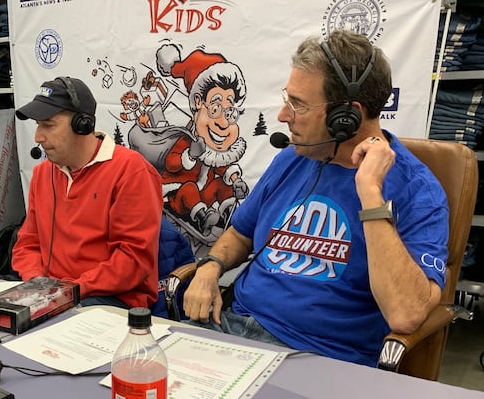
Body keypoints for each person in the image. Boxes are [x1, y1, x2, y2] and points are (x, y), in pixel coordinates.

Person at [182, 30, 449, 367]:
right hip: (230, 329)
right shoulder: (294, 158)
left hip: (320, 357)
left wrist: (370, 194)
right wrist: (210, 267)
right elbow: (239, 234)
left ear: (346, 118)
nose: (282, 115)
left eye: (299, 104)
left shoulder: (417, 191)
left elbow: (405, 314)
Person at [12, 76, 163, 309]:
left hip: (109, 299)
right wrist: (35, 283)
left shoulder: (131, 171)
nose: (38, 137)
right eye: (37, 125)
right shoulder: (44, 174)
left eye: (48, 125)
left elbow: (132, 262)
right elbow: (28, 245)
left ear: (83, 125)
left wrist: (69, 291)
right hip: (53, 295)